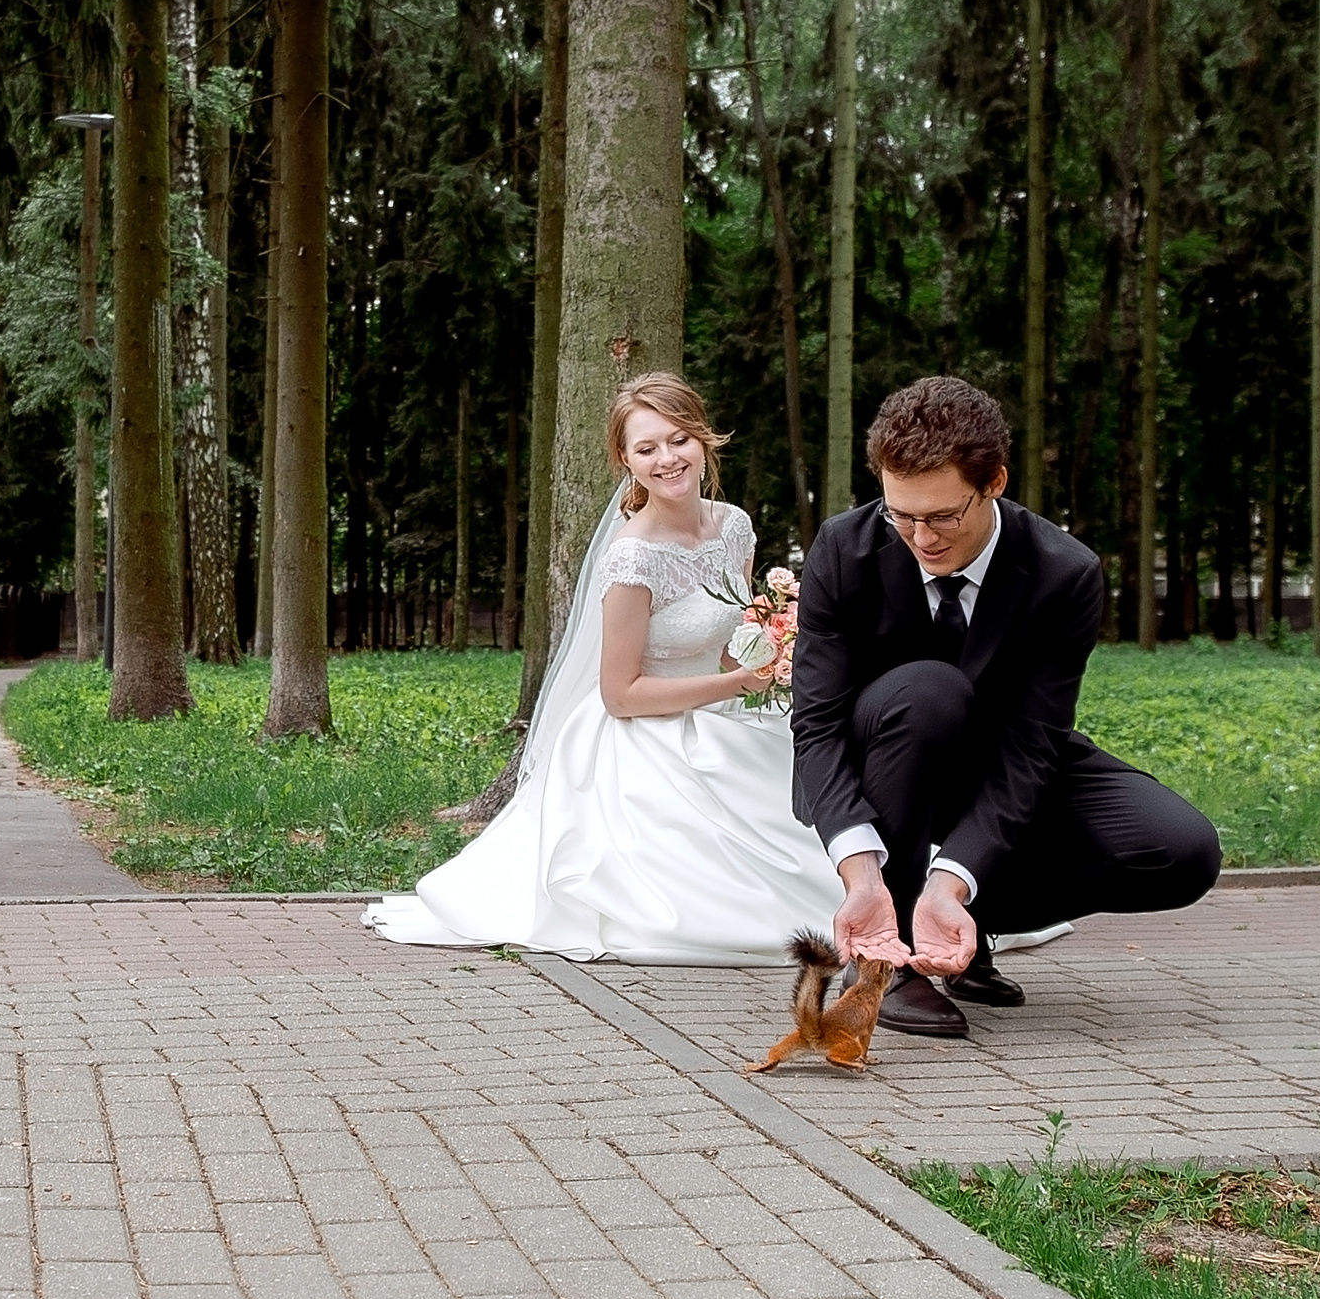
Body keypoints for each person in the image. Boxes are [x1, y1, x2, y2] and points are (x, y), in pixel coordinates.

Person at [790, 375, 1222, 1038]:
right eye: (899, 513)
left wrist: (956, 883)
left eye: (941, 516)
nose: (919, 537)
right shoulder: (842, 549)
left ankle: (954, 923)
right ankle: (886, 962)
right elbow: (816, 723)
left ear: (993, 481)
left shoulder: (1063, 571)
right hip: (878, 754)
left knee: (1180, 851)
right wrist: (861, 875)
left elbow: (1031, 741)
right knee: (929, 690)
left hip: (998, 752)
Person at [365, 373, 844, 962]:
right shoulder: (633, 556)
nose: (667, 459)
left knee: (808, 800)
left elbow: (731, 634)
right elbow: (620, 694)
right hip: (645, 731)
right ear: (626, 459)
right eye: (647, 448)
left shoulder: (733, 525)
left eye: (678, 440)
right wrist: (735, 682)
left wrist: (772, 652)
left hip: (724, 707)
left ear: (704, 439)